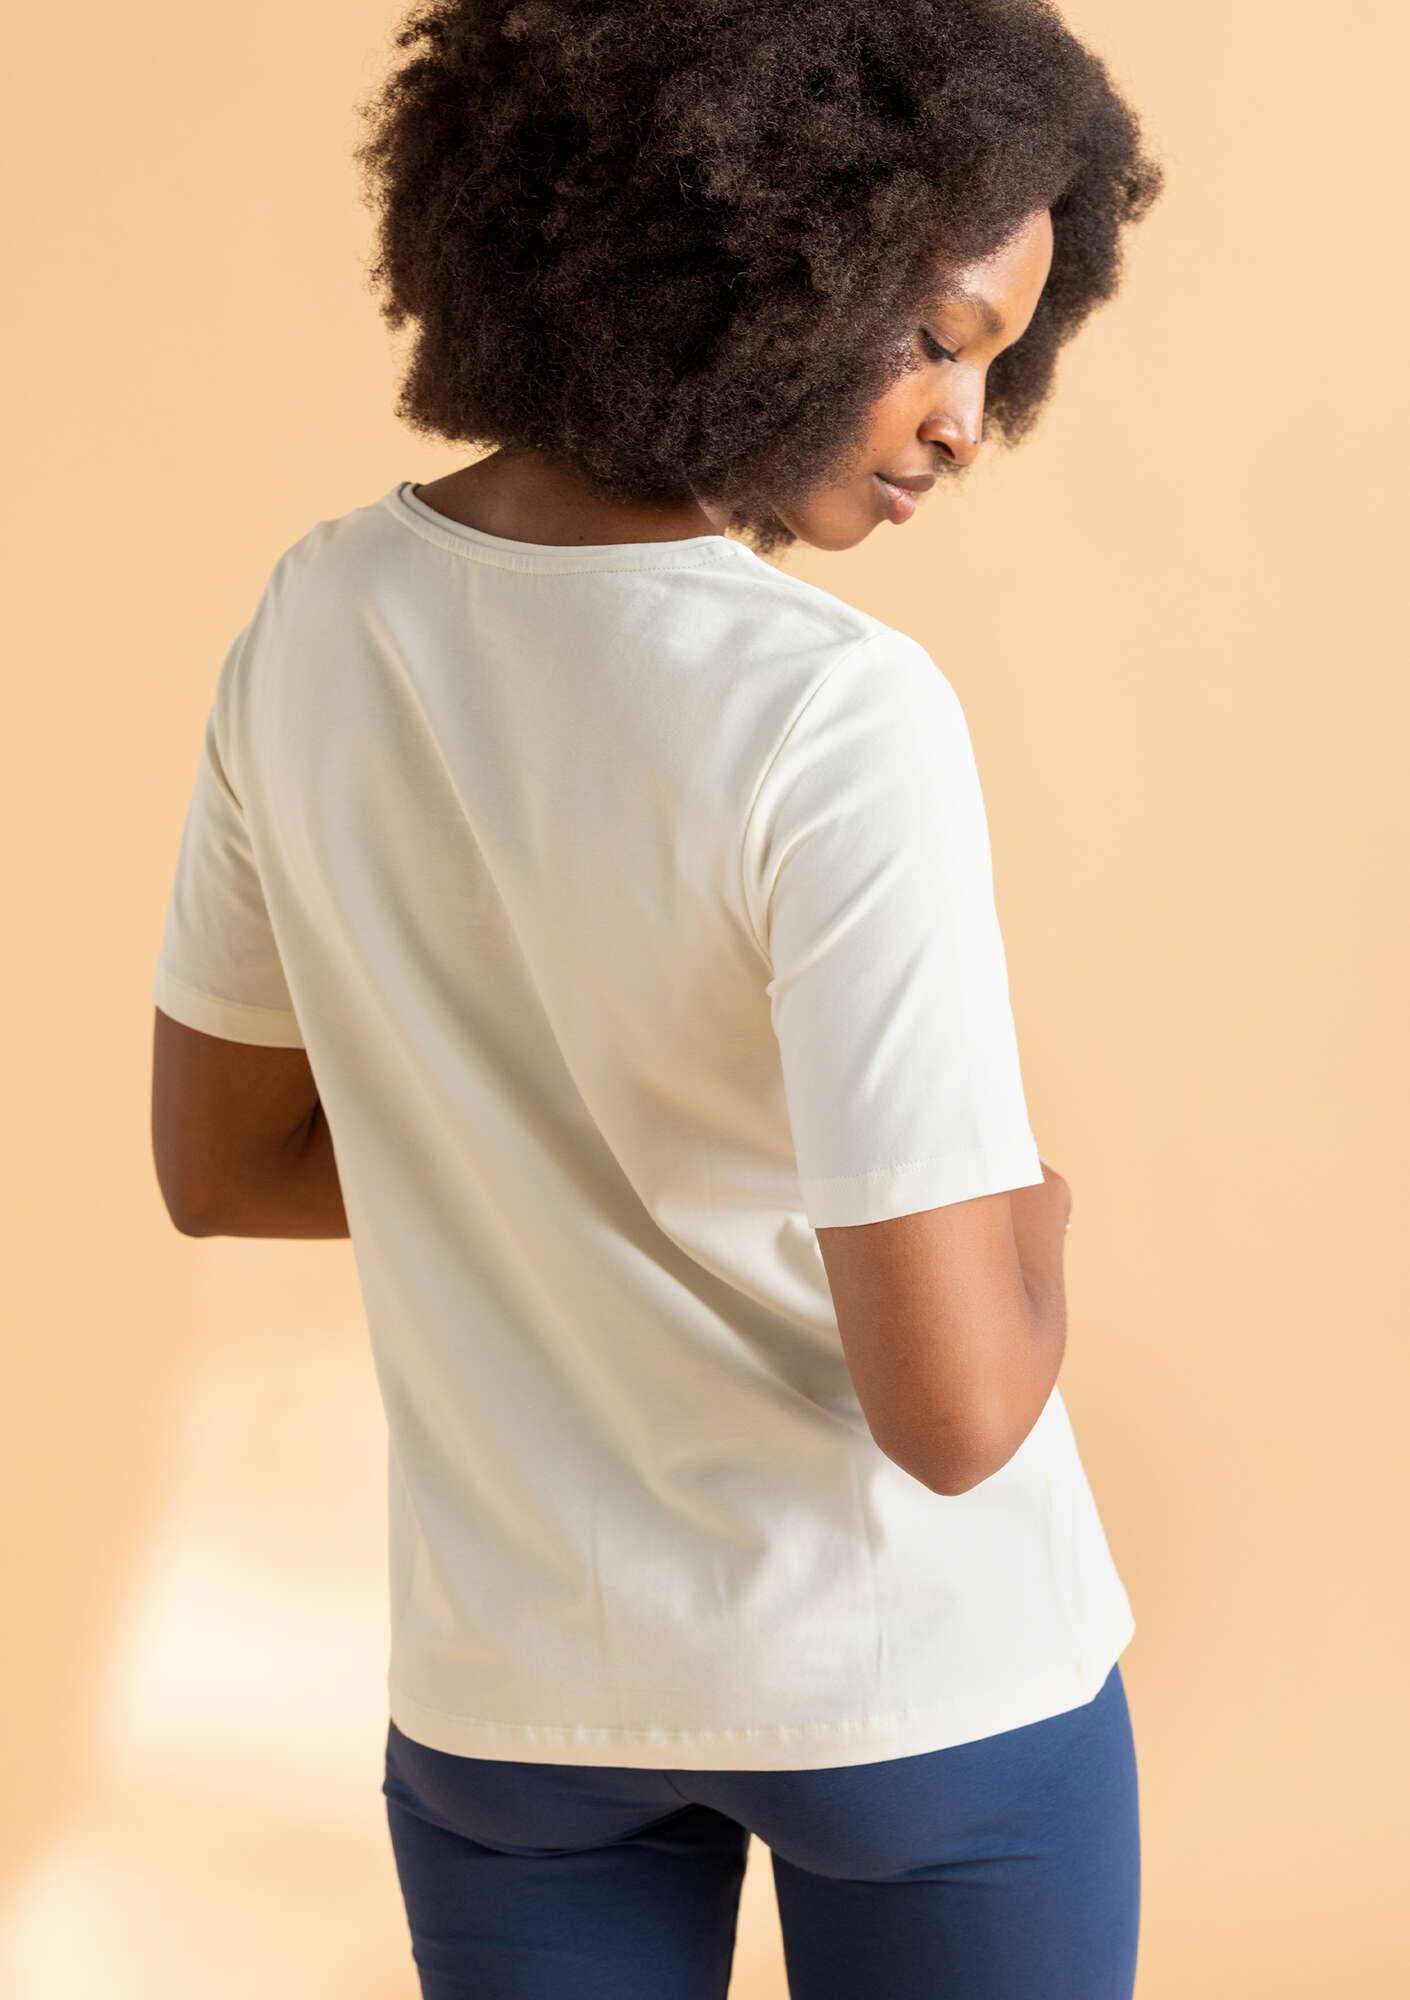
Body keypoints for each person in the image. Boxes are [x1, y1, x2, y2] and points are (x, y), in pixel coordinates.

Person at [149, 0, 1165, 1992]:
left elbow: (227, 1164)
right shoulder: (833, 710)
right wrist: (1035, 1224)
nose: (966, 420)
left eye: (1000, 358)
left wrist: (530, 1164)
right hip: (913, 1687)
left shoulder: (316, 618)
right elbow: (957, 1412)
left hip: (516, 1695)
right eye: (936, 335)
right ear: (757, 265)